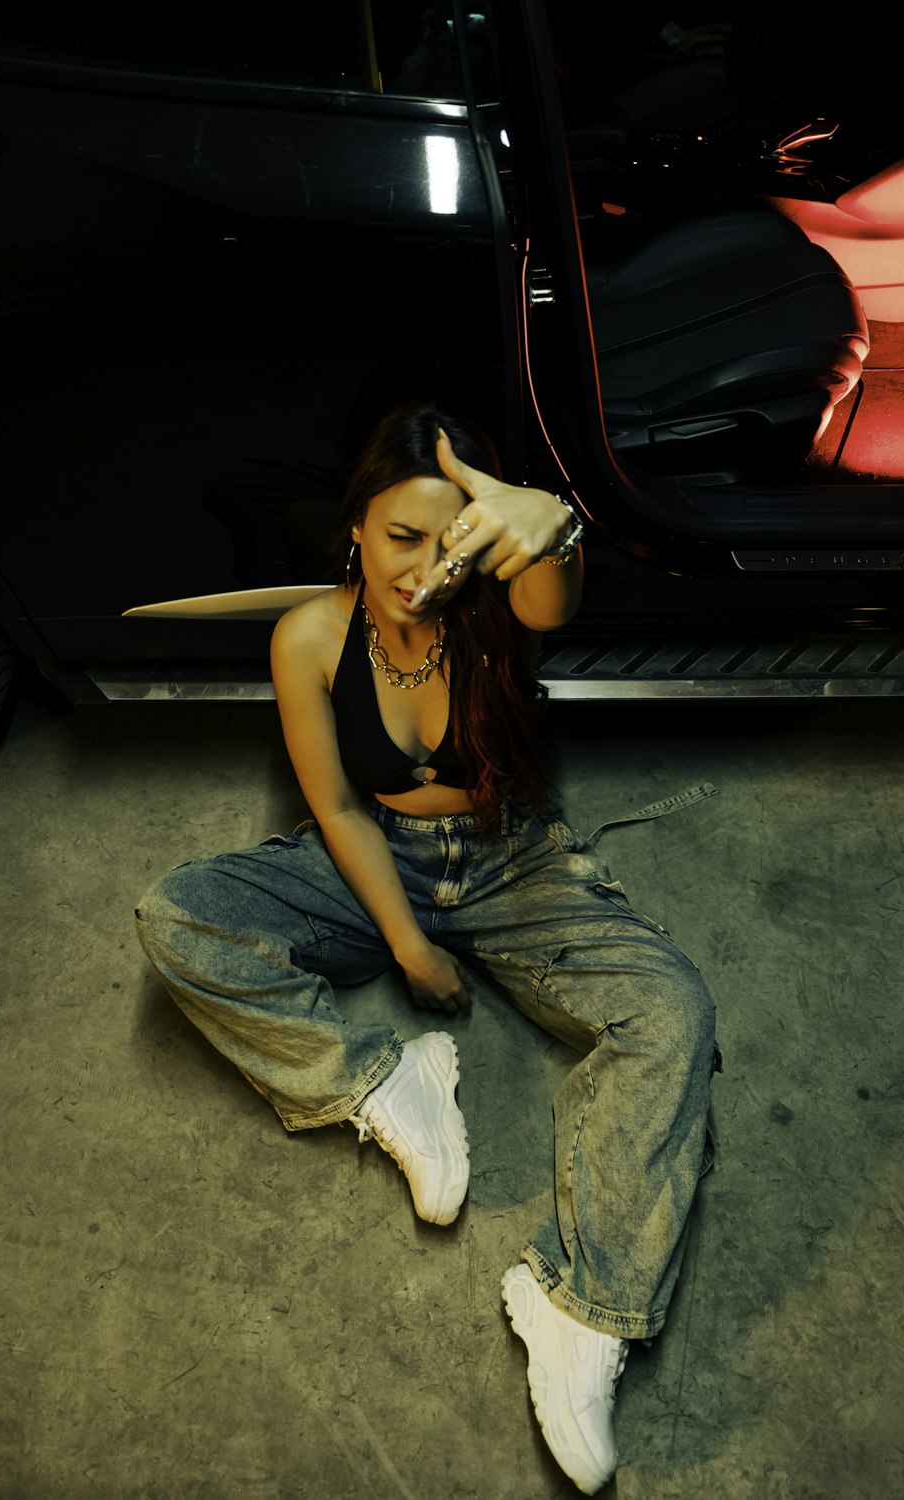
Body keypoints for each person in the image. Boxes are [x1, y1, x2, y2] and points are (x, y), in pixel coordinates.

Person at [135, 400, 718, 1495]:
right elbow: (344, 811)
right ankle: (382, 1079)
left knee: (673, 1013)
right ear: (353, 527)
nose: (425, 569)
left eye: (450, 540)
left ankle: (579, 1309)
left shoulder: (498, 600)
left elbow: (552, 583)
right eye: (402, 537)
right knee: (178, 914)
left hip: (509, 862)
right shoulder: (308, 635)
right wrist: (407, 949)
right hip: (375, 865)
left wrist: (551, 527)